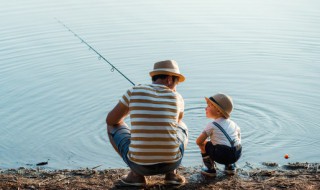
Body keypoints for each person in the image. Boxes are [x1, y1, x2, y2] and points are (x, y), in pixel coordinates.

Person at [106, 60, 188, 187]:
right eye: (177, 82)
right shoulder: (178, 97)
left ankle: (135, 176)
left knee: (112, 126)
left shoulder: (133, 91)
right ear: (170, 79)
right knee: (182, 126)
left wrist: (133, 110)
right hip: (172, 162)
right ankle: (172, 174)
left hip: (140, 166)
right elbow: (177, 122)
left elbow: (111, 121)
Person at [196, 93, 242, 177]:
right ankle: (230, 166)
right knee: (229, 143)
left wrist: (209, 144)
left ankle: (210, 168)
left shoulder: (212, 125)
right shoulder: (233, 124)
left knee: (204, 143)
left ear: (218, 111)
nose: (205, 108)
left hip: (222, 155)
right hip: (237, 153)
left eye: (209, 106)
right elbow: (238, 137)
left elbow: (199, 141)